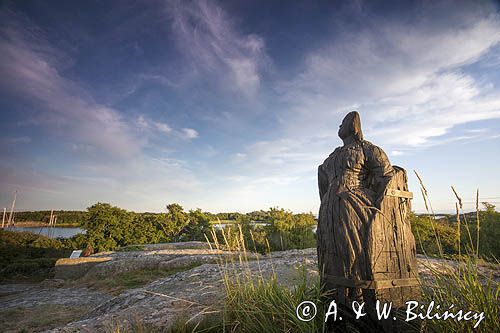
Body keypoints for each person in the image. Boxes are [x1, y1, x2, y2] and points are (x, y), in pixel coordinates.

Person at [317, 111, 394, 304]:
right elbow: (323, 179)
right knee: (331, 249)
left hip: (354, 207)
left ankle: (359, 297)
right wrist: (327, 201)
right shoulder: (333, 155)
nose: (339, 126)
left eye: (342, 123)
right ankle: (333, 296)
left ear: (352, 125)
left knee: (354, 250)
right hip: (330, 209)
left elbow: (386, 175)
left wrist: (375, 204)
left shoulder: (367, 148)